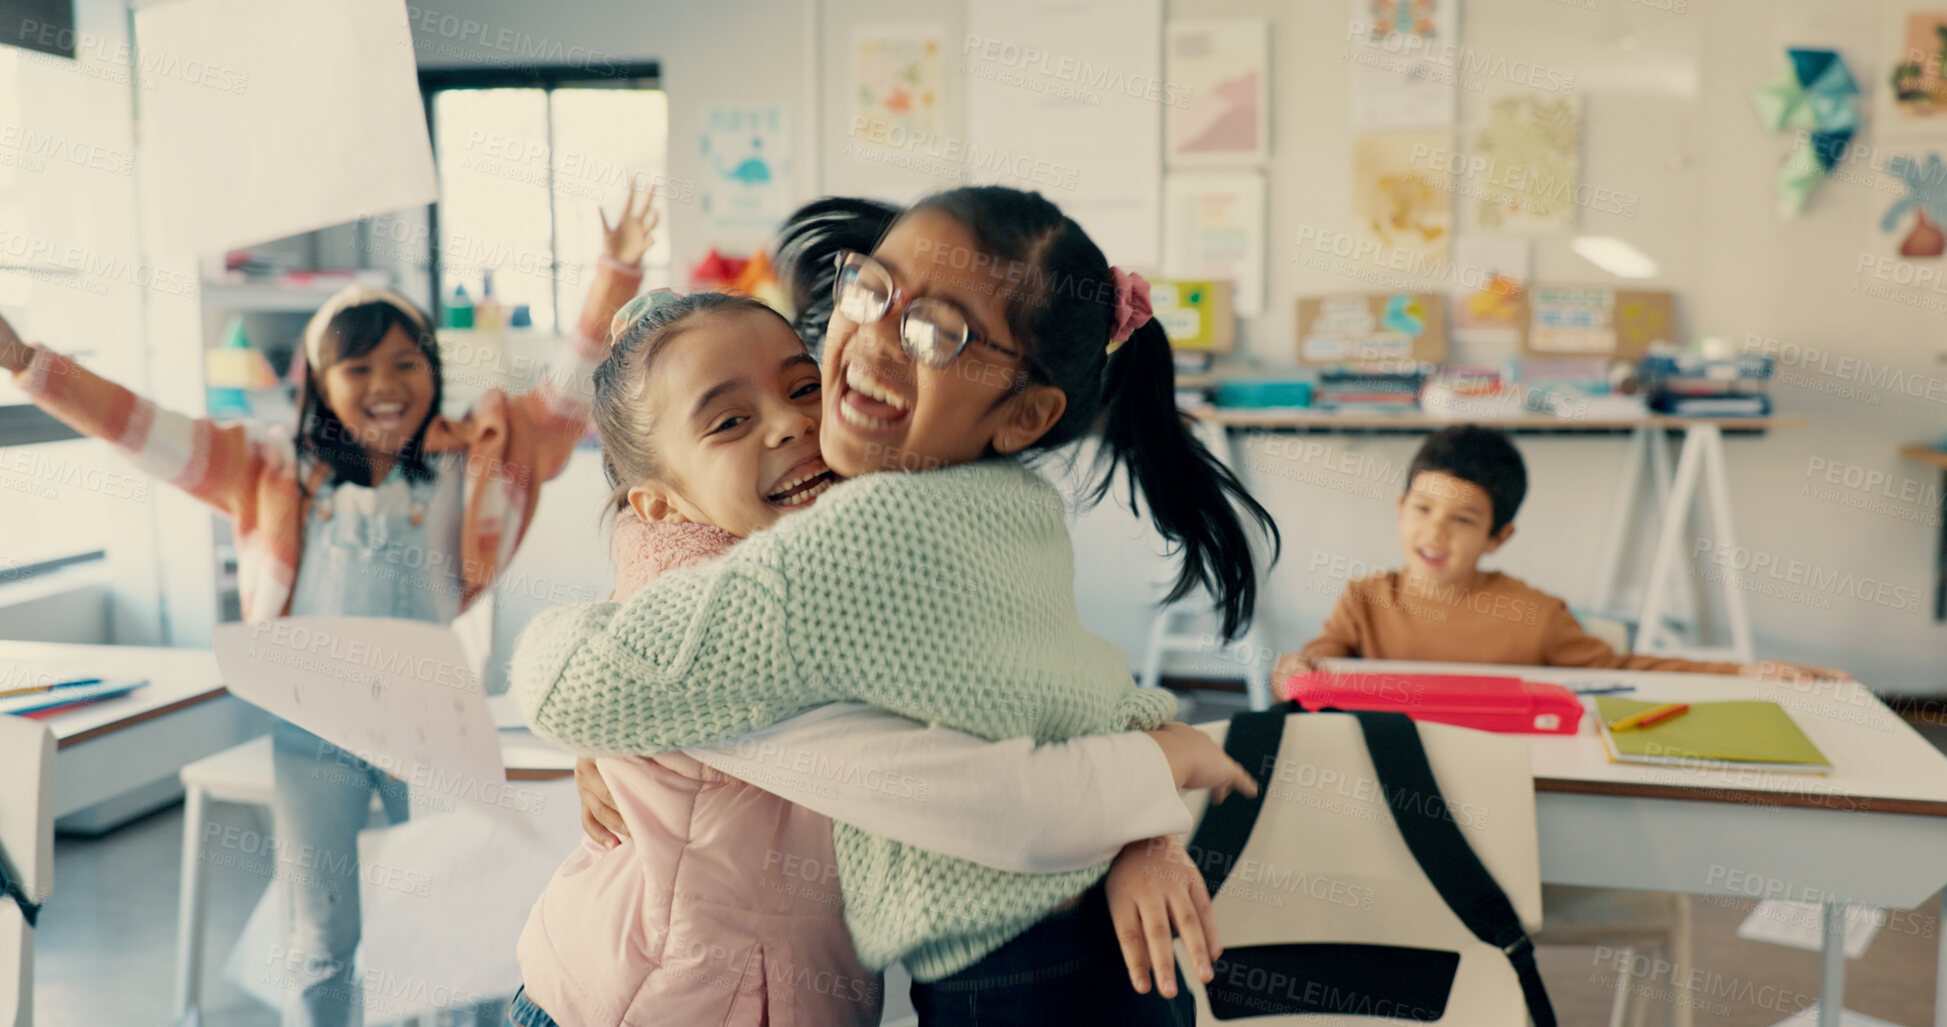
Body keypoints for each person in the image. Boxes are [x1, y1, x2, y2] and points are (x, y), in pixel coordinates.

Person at [507, 185, 1282, 1026]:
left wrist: (1140, 818)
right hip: (645, 995)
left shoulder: (871, 525)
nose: (789, 427)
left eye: (938, 332)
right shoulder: (976, 505)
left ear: (1027, 414)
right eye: (870, 291)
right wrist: (1141, 792)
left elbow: (1030, 701)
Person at [0, 185, 660, 1027]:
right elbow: (141, 427)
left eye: (406, 362)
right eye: (359, 367)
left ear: (433, 370)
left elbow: (565, 396)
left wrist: (615, 274)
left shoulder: (477, 455)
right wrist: (30, 365)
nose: (387, 385)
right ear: (319, 380)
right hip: (313, 734)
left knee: (464, 922)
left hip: (435, 724)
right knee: (320, 936)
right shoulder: (267, 470)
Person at [1275, 424, 1848, 682]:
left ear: (1499, 538)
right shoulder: (1362, 602)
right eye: (1423, 509)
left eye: (1464, 519)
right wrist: (1289, 670)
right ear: (1400, 507)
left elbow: (1626, 670)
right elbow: (1310, 670)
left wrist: (1748, 672)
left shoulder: (1536, 616)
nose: (1436, 532)